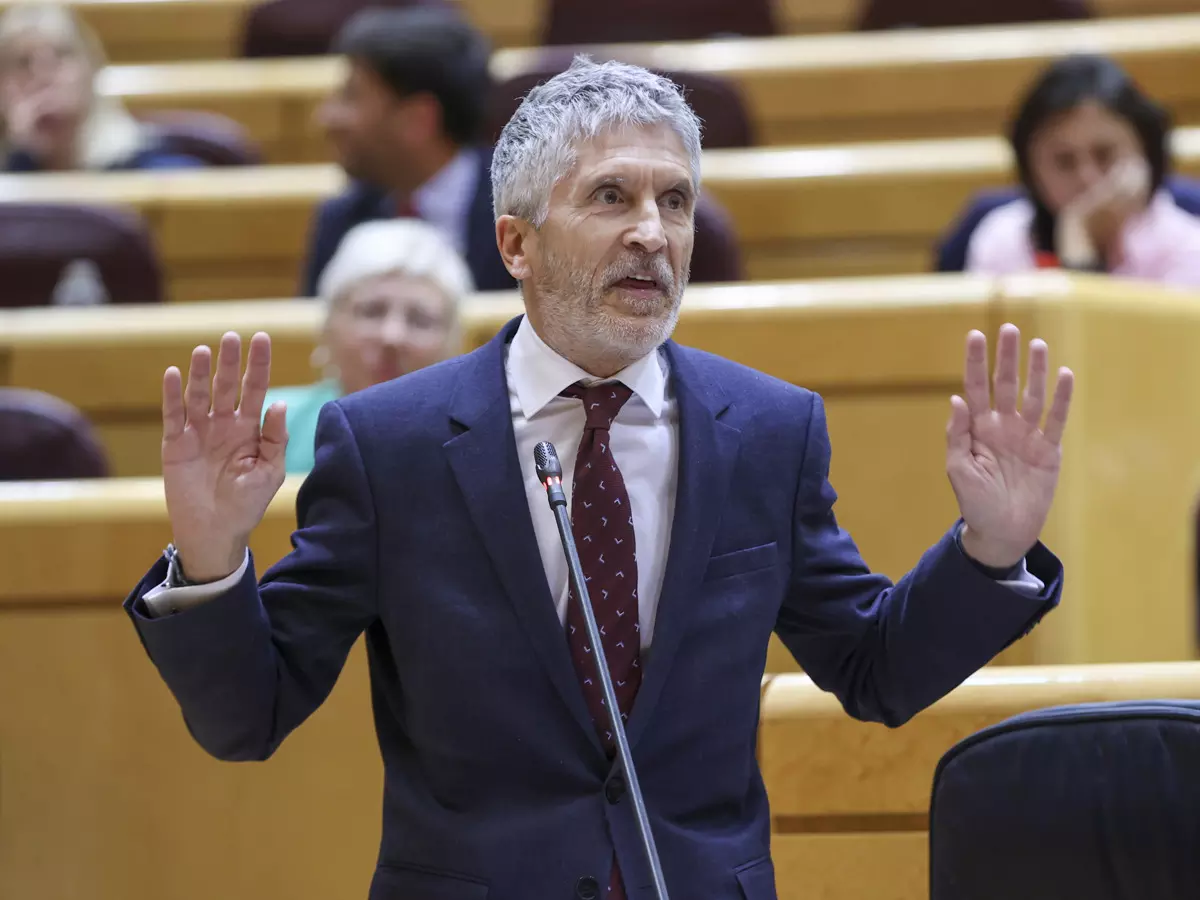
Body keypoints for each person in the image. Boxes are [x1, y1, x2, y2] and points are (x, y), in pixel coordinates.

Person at [124, 58, 1074, 900]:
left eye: (675, 201)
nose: (653, 234)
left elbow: (873, 670)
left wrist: (991, 547)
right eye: (611, 197)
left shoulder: (768, 431)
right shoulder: (391, 446)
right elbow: (250, 715)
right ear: (515, 245)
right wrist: (210, 559)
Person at [301, 5, 514, 298]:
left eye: (351, 96)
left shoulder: (523, 211)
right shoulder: (340, 219)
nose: (327, 118)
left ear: (417, 120)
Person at [950, 54, 1200, 285]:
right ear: (1031, 169)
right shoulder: (1002, 242)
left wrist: (1079, 236)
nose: (1087, 178)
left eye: (1104, 155)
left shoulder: (1187, 248)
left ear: (1146, 153)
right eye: (1064, 161)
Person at [264, 218, 471, 474]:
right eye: (371, 312)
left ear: (454, 345)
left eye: (420, 320)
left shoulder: (482, 443)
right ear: (328, 327)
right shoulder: (268, 425)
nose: (392, 336)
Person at [0, 3, 204, 172]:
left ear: (92, 69)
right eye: (22, 62)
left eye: (61, 55)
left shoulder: (159, 171)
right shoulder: (9, 168)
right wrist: (17, 157)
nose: (43, 75)